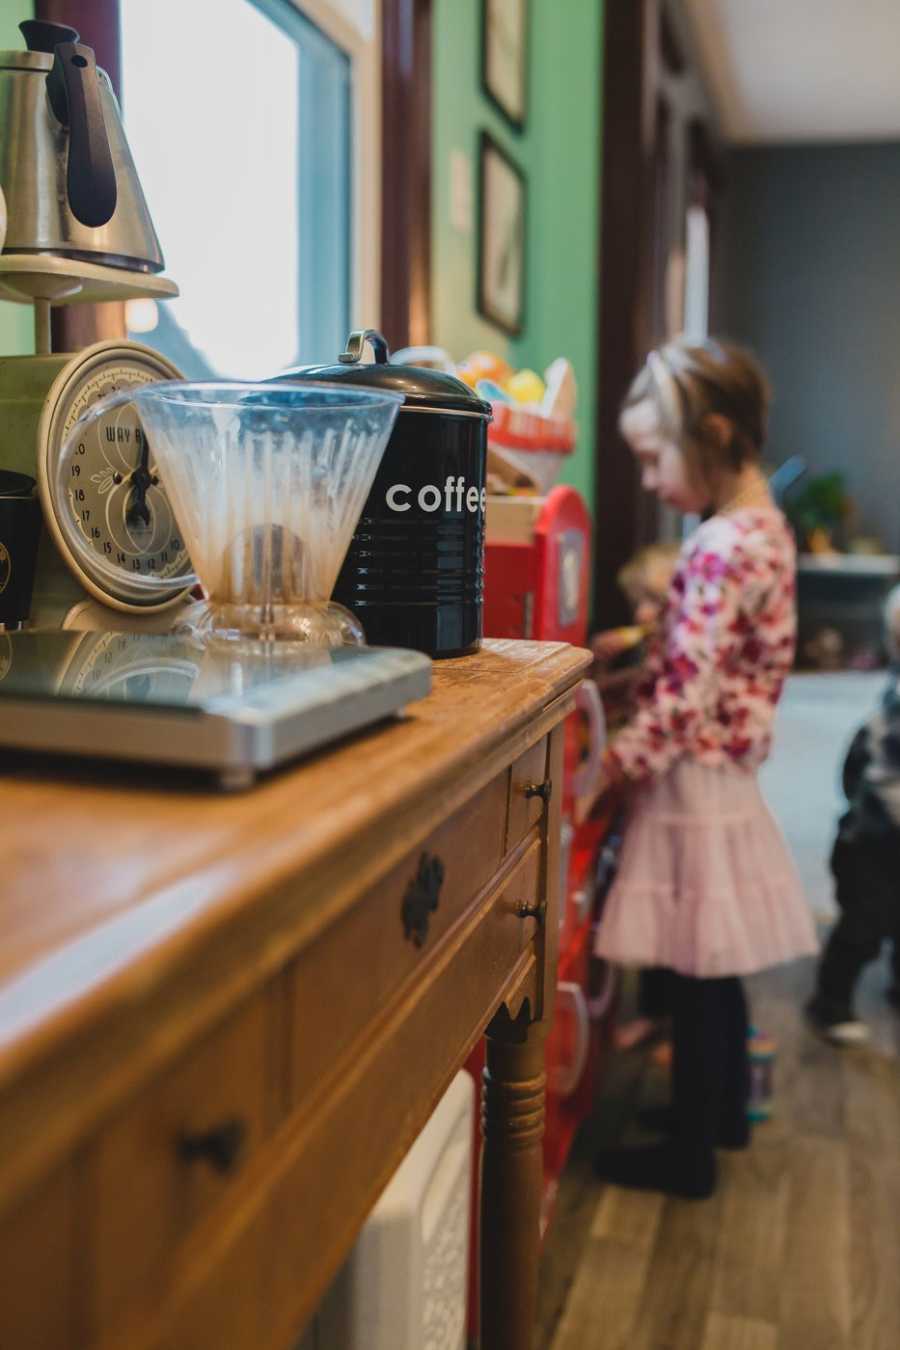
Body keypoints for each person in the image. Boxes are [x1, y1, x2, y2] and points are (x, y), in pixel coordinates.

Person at [591, 337, 818, 1200]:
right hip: (727, 773)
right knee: (714, 965)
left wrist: (615, 761)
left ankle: (688, 1156)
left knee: (692, 967)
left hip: (692, 773)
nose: (649, 480)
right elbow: (707, 650)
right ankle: (717, 1118)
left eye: (654, 459)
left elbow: (688, 692)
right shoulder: (764, 528)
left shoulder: (720, 545)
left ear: (714, 435)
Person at [592, 543, 681, 1053]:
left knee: (668, 909)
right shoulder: (658, 646)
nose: (644, 614)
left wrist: (608, 768)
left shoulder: (684, 649)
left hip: (671, 793)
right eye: (639, 602)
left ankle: (664, 1018)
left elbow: (663, 704)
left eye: (654, 601)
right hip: (652, 795)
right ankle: (656, 1013)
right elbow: (639, 685)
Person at [806, 585, 900, 1044]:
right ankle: (830, 1002)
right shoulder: (897, 704)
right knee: (862, 928)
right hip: (874, 843)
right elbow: (881, 776)